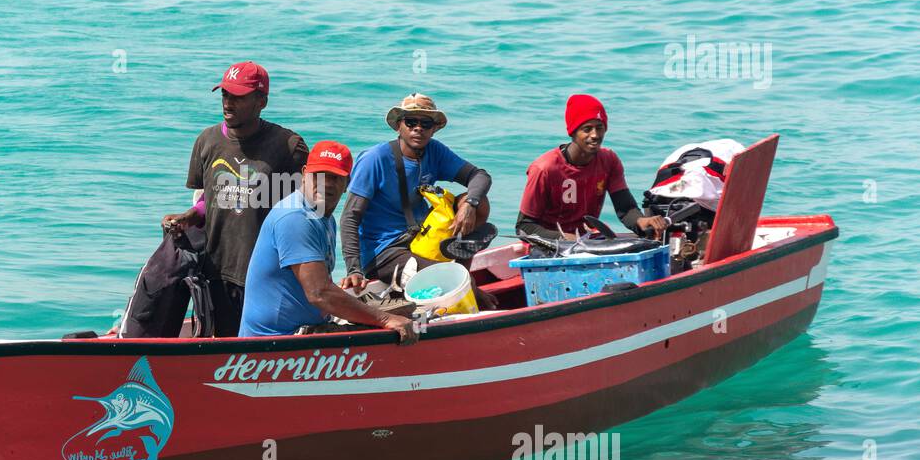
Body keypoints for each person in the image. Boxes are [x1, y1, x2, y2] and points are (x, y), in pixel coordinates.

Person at [162, 62, 309, 336]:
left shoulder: (288, 146)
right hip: (217, 269)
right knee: (224, 346)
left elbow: (306, 213)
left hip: (267, 273)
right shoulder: (207, 141)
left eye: (238, 97)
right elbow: (208, 201)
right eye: (225, 95)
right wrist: (189, 217)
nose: (228, 103)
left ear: (261, 101)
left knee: (259, 354)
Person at [240, 142, 418, 342]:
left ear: (347, 183)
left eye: (334, 177)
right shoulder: (295, 217)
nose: (326, 183)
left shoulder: (325, 218)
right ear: (304, 174)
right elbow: (319, 293)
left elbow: (320, 285)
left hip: (304, 329)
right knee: (395, 323)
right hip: (272, 342)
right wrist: (385, 319)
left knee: (406, 312)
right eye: (319, 175)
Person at [339, 94, 492, 289]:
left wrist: (470, 204)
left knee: (478, 202)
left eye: (425, 123)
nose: (418, 128)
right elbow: (350, 217)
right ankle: (463, 284)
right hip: (384, 250)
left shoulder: (434, 151)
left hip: (421, 236)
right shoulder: (374, 159)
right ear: (399, 126)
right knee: (451, 280)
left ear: (434, 129)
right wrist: (354, 270)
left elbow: (479, 175)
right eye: (411, 122)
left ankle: (461, 270)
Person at [516, 94, 668, 242]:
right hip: (549, 248)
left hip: (587, 242)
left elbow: (625, 208)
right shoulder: (545, 168)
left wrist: (640, 221)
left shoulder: (609, 161)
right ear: (573, 132)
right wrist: (562, 238)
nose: (595, 135)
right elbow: (524, 227)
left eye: (599, 128)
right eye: (587, 129)